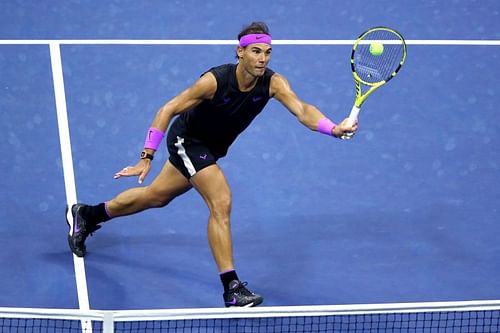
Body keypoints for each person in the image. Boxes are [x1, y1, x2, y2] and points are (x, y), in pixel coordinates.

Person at [66, 21, 358, 308]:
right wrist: (146, 156)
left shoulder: (273, 83)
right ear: (240, 52)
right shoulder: (215, 80)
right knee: (221, 200)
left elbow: (302, 109)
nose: (262, 59)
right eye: (256, 52)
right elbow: (167, 108)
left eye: (267, 53)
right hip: (187, 141)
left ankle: (88, 215)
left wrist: (332, 128)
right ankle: (231, 288)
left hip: (212, 149)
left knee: (155, 197)